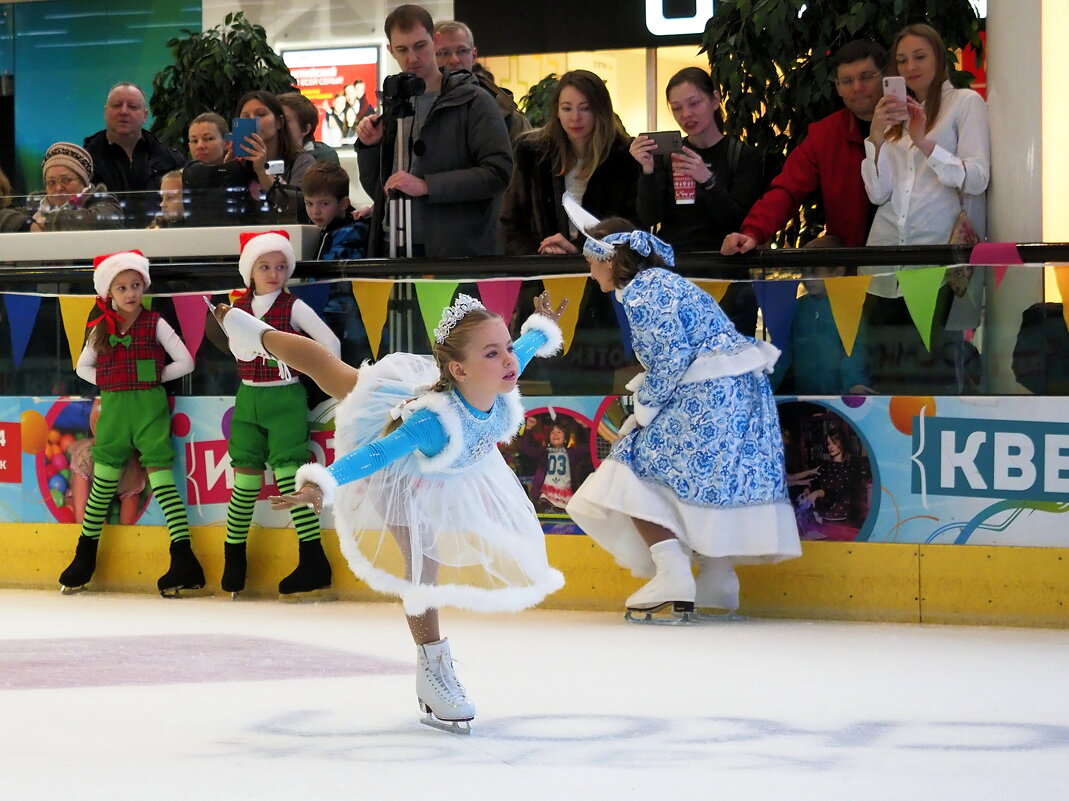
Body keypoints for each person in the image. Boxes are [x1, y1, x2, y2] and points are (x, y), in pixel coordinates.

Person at [211, 290, 568, 733]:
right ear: (459, 369)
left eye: (507, 348)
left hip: (452, 467)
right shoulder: (431, 422)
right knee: (329, 372)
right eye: (493, 353)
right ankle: (251, 331)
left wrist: (538, 328)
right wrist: (323, 481)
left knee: (332, 373)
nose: (509, 359)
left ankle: (251, 331)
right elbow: (378, 453)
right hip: (400, 471)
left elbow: (528, 347)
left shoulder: (500, 377)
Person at [563, 199, 800, 621]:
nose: (589, 272)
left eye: (590, 262)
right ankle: (718, 579)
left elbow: (670, 359)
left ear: (607, 258)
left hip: (709, 394)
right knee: (699, 479)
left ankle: (673, 572)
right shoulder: (662, 282)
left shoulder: (641, 293)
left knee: (630, 464)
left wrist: (644, 409)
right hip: (737, 394)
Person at [59, 250, 203, 597]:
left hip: (149, 409)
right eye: (122, 287)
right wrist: (111, 380)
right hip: (115, 411)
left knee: (163, 481)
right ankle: (85, 556)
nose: (130, 293)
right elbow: (82, 367)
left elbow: (185, 360)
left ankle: (183, 558)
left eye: (136, 285)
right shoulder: (100, 328)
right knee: (103, 483)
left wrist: (152, 376)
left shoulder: (155, 323)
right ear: (109, 292)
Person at [860, 24, 990, 395]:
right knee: (887, 375)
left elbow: (977, 178)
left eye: (920, 56)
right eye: (901, 60)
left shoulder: (964, 103)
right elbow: (877, 193)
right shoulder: (893, 113)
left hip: (938, 264)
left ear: (939, 57)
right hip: (885, 265)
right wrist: (876, 138)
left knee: (933, 379)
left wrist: (923, 140)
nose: (910, 67)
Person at [221, 231, 341, 599]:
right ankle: (234, 558)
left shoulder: (293, 306)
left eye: (280, 266)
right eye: (264, 266)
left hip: (286, 398)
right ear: (250, 271)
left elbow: (330, 345)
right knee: (244, 482)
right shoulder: (236, 308)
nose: (274, 273)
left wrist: (305, 367)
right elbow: (236, 349)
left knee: (291, 474)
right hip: (248, 400)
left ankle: (312, 559)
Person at [356, 4, 513, 258]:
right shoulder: (394, 106)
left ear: (434, 41)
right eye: (402, 49)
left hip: (455, 252)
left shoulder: (473, 100)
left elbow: (498, 172)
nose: (412, 58)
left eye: (420, 46)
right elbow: (379, 187)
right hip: (394, 247)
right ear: (390, 50)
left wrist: (427, 186)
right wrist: (371, 147)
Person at [632, 66, 766, 335]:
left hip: (726, 274)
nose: (686, 115)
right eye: (677, 108)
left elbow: (740, 222)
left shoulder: (742, 156)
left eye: (694, 104)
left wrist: (708, 180)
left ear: (715, 100)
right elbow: (648, 218)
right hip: (676, 273)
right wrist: (646, 171)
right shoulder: (669, 156)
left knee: (730, 363)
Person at [721, 40, 887, 254]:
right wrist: (753, 232)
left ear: (886, 77)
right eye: (847, 80)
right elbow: (788, 189)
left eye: (866, 77)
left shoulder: (915, 121)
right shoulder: (825, 135)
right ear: (837, 87)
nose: (857, 87)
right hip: (853, 266)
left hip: (919, 255)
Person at [500, 69, 639, 256]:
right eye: (567, 108)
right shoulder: (532, 151)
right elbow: (511, 224)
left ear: (600, 110)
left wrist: (580, 250)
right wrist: (542, 250)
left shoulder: (623, 155)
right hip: (543, 272)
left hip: (605, 273)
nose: (575, 118)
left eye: (585, 108)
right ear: (557, 109)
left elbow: (631, 228)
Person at [769, 235, 874, 395]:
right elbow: (782, 352)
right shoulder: (797, 308)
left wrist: (855, 383)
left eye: (815, 271)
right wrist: (765, 386)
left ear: (838, 271)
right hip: (804, 397)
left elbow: (855, 350)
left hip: (842, 399)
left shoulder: (850, 306)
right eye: (803, 271)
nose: (807, 278)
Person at [82, 82, 186, 224]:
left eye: (132, 106)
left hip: (160, 240)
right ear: (105, 112)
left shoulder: (172, 160)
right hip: (104, 242)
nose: (124, 111)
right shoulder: (84, 163)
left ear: (145, 115)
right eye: (117, 105)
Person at [302, 161, 371, 364]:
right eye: (309, 203)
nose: (315, 211)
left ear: (343, 203)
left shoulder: (350, 233)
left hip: (345, 321)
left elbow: (336, 284)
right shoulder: (324, 232)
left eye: (324, 204)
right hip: (330, 316)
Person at [433, 20, 532, 144]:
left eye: (462, 51)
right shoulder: (413, 111)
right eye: (443, 53)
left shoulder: (509, 119)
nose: (454, 60)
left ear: (474, 56)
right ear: (430, 57)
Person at [0, 142, 123, 232]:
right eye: (51, 182)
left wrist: (46, 223)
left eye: (66, 180)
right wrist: (28, 226)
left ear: (83, 183)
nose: (58, 188)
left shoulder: (104, 202)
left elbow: (106, 221)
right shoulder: (33, 209)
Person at [182, 113, 257, 226]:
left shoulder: (243, 173)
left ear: (227, 142)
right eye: (194, 141)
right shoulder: (189, 173)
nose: (200, 146)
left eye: (208, 139)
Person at [235, 91, 316, 193]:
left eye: (260, 114)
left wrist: (262, 170)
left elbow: (293, 205)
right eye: (245, 117)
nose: (252, 120)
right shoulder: (241, 162)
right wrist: (228, 168)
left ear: (279, 122)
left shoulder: (302, 162)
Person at [527, 419, 593, 513]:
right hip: (545, 495)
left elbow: (589, 447)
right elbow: (528, 449)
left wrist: (586, 427)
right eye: (552, 433)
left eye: (559, 432)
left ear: (565, 437)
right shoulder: (544, 453)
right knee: (544, 507)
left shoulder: (572, 453)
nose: (555, 434)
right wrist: (529, 428)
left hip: (565, 495)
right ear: (548, 437)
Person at [278, 91, 341, 166]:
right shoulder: (269, 154)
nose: (278, 125)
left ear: (306, 129)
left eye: (286, 120)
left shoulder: (323, 160)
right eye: (277, 119)